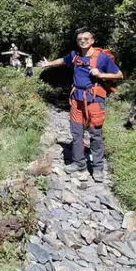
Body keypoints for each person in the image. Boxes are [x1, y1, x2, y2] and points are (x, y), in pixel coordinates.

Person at [37, 28, 123, 182]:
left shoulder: (102, 58)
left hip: (95, 100)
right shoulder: (74, 55)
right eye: (80, 39)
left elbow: (119, 74)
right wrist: (48, 64)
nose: (82, 41)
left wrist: (101, 74)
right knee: (76, 133)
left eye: (86, 38)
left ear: (92, 41)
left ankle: (97, 168)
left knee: (95, 135)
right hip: (77, 100)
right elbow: (63, 61)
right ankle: (79, 163)